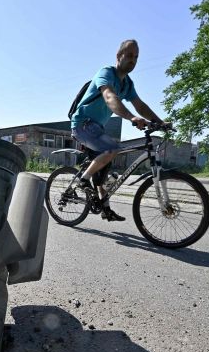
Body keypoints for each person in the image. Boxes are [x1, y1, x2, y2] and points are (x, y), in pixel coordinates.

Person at [70, 39, 170, 221]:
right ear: (119, 56)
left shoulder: (127, 84)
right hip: (82, 124)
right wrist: (131, 118)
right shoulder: (106, 73)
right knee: (112, 149)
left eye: (136, 57)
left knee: (103, 170)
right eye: (130, 55)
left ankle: (105, 209)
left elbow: (140, 105)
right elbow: (109, 97)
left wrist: (160, 122)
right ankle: (82, 180)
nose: (133, 60)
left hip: (97, 128)